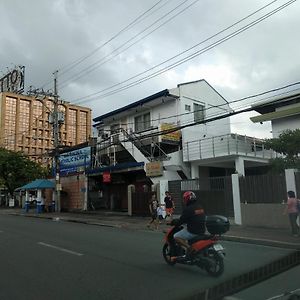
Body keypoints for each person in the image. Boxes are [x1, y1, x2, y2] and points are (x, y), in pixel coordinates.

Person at [172, 191, 206, 259]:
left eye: (184, 199)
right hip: (202, 230)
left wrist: (175, 223)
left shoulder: (188, 209)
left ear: (187, 199)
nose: (184, 201)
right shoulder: (200, 207)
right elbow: (195, 217)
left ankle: (189, 248)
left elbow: (181, 221)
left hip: (193, 231)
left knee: (176, 236)